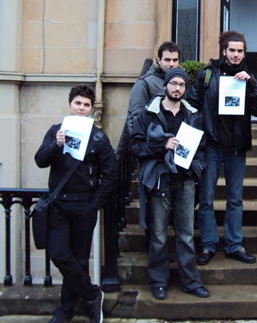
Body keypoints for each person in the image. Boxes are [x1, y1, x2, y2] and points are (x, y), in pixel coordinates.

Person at [34, 85, 118, 323]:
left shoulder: (98, 137)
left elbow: (111, 173)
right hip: (59, 204)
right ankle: (92, 294)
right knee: (59, 253)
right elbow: (40, 160)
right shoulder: (55, 131)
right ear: (70, 105)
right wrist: (56, 145)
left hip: (84, 206)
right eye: (78, 103)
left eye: (86, 105)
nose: (81, 108)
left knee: (80, 259)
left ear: (92, 109)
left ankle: (65, 312)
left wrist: (95, 204)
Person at [129, 68, 209, 300]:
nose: (177, 88)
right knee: (159, 235)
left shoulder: (193, 115)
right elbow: (135, 146)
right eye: (173, 83)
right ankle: (158, 281)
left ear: (185, 88)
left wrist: (197, 170)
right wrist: (161, 146)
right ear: (165, 86)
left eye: (181, 85)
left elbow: (201, 148)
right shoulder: (148, 114)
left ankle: (190, 282)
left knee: (185, 234)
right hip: (159, 181)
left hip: (185, 181)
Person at [188, 31, 257, 265]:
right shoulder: (208, 74)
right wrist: (202, 127)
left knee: (235, 199)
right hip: (211, 145)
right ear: (224, 51)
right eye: (232, 50)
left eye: (240, 51)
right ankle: (208, 244)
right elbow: (191, 105)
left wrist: (252, 84)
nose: (236, 54)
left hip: (236, 147)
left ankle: (233, 244)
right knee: (207, 198)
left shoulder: (250, 76)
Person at [126, 41, 181, 134]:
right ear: (159, 60)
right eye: (167, 60)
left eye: (175, 60)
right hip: (152, 142)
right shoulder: (145, 83)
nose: (171, 64)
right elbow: (135, 117)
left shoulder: (182, 81)